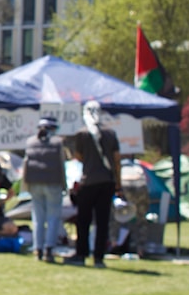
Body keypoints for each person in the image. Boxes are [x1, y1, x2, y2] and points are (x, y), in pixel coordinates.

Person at [65, 100, 122, 268]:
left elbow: (78, 156)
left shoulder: (82, 134)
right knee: (102, 221)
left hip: (88, 181)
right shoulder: (110, 133)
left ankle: (81, 254)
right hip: (107, 181)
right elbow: (117, 160)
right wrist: (118, 183)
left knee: (83, 220)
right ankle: (99, 257)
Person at [22, 116, 67, 263]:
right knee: (53, 218)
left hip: (34, 184)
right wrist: (64, 185)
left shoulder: (30, 142)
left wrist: (25, 185)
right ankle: (49, 248)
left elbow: (26, 164)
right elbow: (61, 165)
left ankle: (38, 248)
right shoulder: (58, 142)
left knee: (38, 218)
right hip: (53, 183)